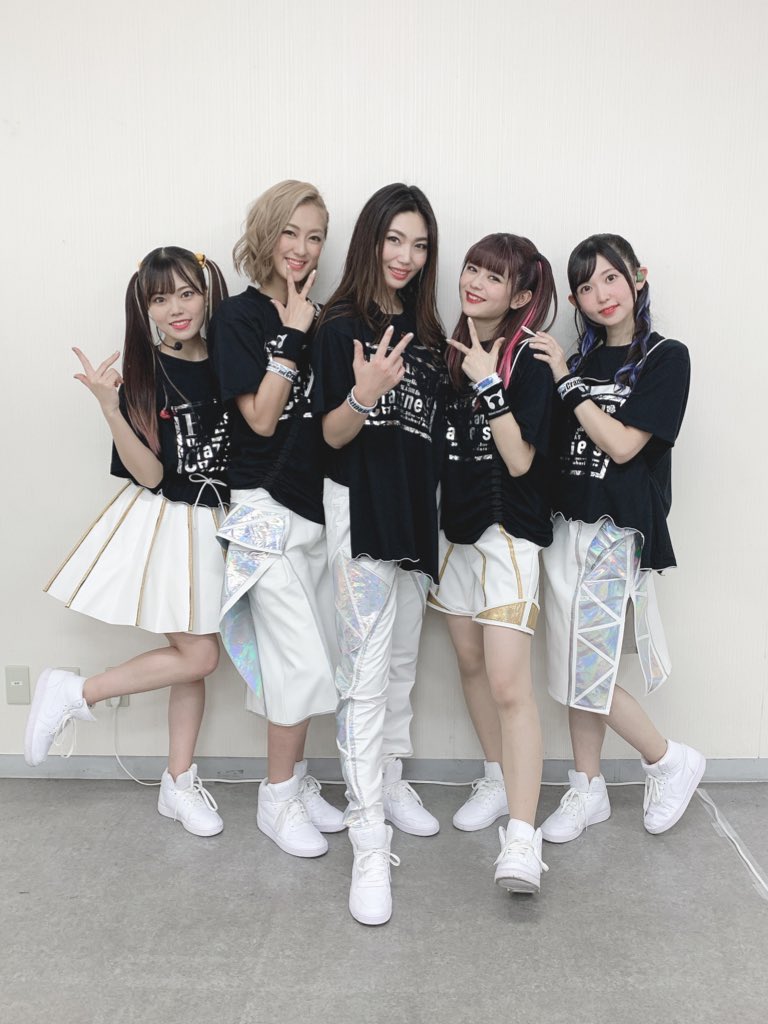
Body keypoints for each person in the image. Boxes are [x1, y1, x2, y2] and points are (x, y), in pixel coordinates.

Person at [27, 247, 230, 837]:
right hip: (169, 525)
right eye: (160, 299)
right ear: (145, 309)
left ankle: (178, 782)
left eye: (187, 293)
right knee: (199, 655)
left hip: (223, 523)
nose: (176, 309)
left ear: (206, 293)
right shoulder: (147, 374)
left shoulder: (231, 358)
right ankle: (75, 691)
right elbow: (151, 474)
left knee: (192, 665)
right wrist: (111, 409)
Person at [529, 232, 705, 844]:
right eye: (586, 286)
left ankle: (668, 759)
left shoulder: (666, 358)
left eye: (611, 277)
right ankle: (588, 787)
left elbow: (626, 445)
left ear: (638, 277)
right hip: (565, 527)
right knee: (571, 665)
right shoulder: (579, 364)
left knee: (588, 669)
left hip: (615, 532)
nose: (601, 294)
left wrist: (567, 384)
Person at [312, 182, 444, 924]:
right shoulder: (341, 327)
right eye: (395, 239)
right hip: (360, 515)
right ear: (370, 240)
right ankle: (368, 838)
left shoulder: (426, 331)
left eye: (419, 244)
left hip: (414, 520)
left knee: (398, 666)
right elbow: (330, 436)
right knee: (362, 677)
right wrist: (363, 395)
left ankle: (388, 780)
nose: (406, 256)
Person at [210, 181, 343, 860]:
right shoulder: (237, 318)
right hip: (261, 509)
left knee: (309, 657)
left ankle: (296, 780)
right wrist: (291, 336)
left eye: (315, 236)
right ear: (265, 234)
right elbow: (260, 418)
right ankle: (277, 797)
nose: (302, 248)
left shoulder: (322, 317)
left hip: (312, 510)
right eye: (291, 232)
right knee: (297, 663)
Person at [428, 233, 557, 894]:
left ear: (522, 294)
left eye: (494, 277)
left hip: (509, 533)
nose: (475, 283)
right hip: (455, 534)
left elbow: (521, 460)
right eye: (472, 269)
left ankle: (524, 839)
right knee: (471, 664)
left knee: (511, 685)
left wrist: (489, 383)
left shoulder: (529, 359)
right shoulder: (448, 353)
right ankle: (497, 777)